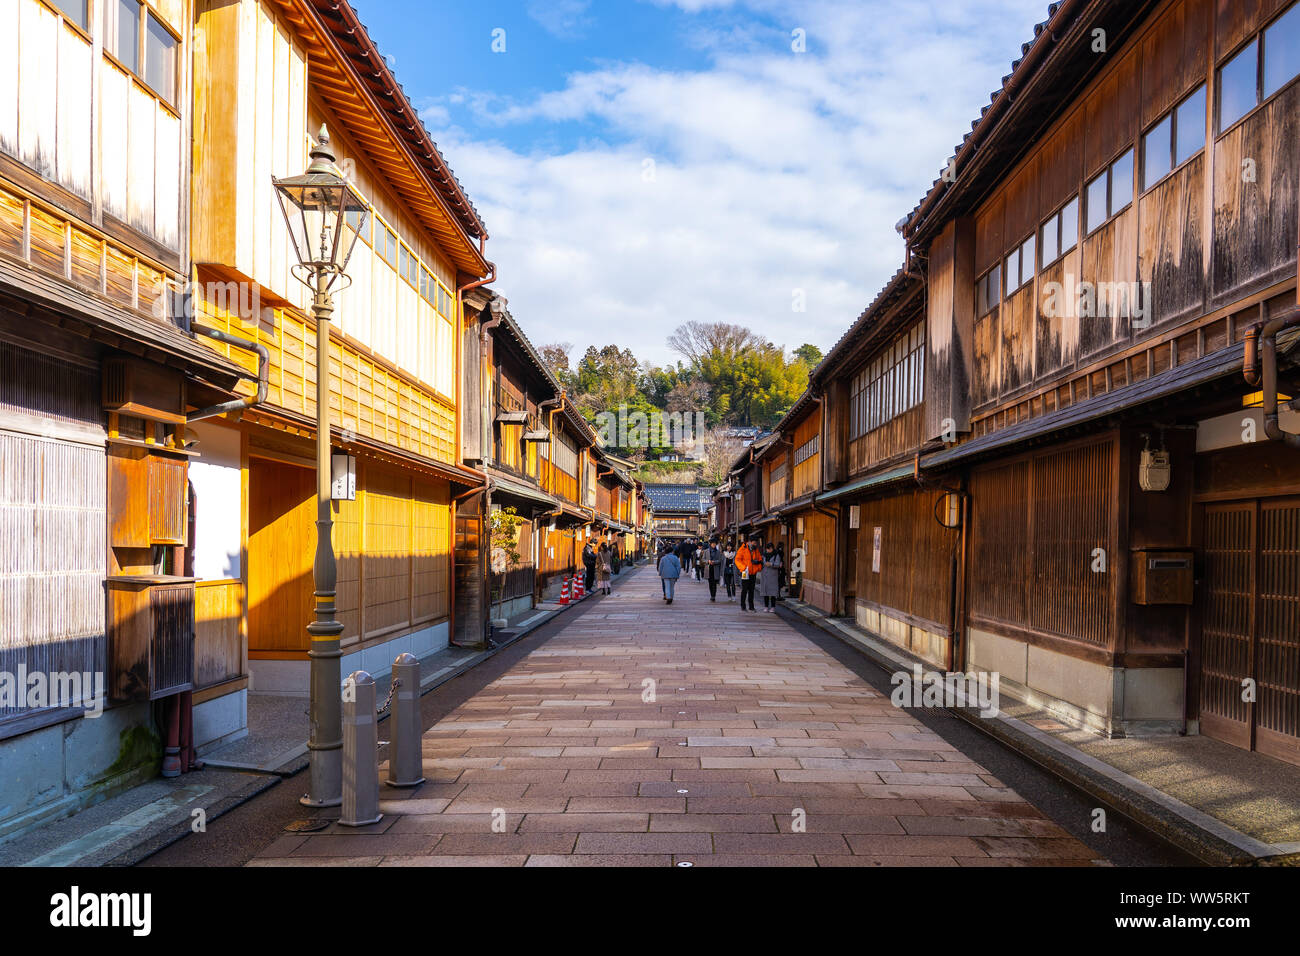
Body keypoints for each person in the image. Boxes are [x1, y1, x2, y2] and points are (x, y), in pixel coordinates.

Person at [734, 538, 762, 612]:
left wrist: (758, 567)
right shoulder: (743, 548)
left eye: (756, 543)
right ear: (749, 542)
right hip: (745, 572)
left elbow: (760, 559)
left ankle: (751, 606)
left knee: (752, 590)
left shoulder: (756, 550)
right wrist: (743, 568)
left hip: (753, 573)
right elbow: (737, 559)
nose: (755, 545)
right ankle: (743, 606)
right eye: (754, 543)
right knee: (744, 589)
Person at [759, 542, 783, 612]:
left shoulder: (776, 555)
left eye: (769, 549)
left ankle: (773, 607)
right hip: (764, 575)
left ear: (772, 548)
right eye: (767, 549)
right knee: (765, 592)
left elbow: (778, 564)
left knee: (773, 592)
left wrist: (771, 564)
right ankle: (766, 606)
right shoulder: (764, 555)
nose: (768, 551)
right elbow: (761, 563)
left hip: (773, 576)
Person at [704, 537, 723, 601]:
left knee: (714, 583)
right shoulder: (706, 551)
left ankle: (713, 596)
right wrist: (708, 561)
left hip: (715, 568)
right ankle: (711, 594)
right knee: (710, 583)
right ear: (710, 544)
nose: (713, 545)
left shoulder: (718, 552)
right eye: (712, 544)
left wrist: (714, 562)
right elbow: (703, 559)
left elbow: (720, 560)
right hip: (708, 568)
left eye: (715, 544)